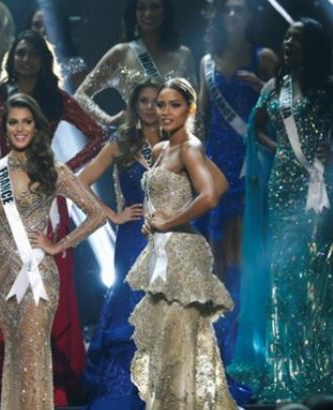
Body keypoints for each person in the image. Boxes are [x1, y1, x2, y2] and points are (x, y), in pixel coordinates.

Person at [0, 29, 106, 405]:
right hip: (2, 246)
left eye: (27, 122)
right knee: (13, 345)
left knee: (33, 341)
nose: (20, 129)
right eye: (12, 123)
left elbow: (96, 210)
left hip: (41, 247)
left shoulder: (54, 166)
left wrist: (60, 242)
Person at [233, 18, 333, 402]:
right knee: (285, 274)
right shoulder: (276, 88)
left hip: (319, 188)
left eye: (298, 39)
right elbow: (256, 128)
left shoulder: (327, 89)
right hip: (283, 187)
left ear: (314, 47)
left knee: (317, 272)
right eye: (287, 38)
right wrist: (281, 150)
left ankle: (319, 365)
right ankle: (286, 368)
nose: (289, 43)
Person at [125, 77, 235, 408]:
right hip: (161, 253)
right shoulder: (162, 149)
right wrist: (152, 220)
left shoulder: (190, 147)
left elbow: (211, 196)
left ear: (190, 108)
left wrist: (170, 221)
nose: (165, 111)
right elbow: (221, 182)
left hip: (183, 254)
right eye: (161, 104)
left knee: (180, 338)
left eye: (174, 105)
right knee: (165, 338)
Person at [197, 0, 277, 364]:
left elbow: (284, 109)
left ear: (249, 15)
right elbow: (202, 117)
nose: (233, 16)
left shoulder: (264, 58)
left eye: (240, 10)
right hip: (215, 169)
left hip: (249, 169)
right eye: (228, 10)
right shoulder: (207, 62)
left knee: (245, 259)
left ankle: (246, 347)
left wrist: (262, 88)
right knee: (218, 262)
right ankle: (218, 346)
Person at [78, 78, 161, 409]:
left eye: (157, 100)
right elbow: (81, 181)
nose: (150, 107)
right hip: (133, 238)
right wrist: (113, 215)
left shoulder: (176, 140)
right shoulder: (122, 142)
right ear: (135, 106)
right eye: (144, 100)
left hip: (170, 236)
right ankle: (130, 384)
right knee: (132, 309)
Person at [74, 0, 195, 128]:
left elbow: (193, 106)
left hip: (173, 137)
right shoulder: (120, 53)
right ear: (133, 13)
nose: (148, 13)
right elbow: (80, 95)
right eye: (141, 8)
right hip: (133, 137)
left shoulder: (183, 55)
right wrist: (107, 120)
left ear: (166, 11)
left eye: (155, 7)